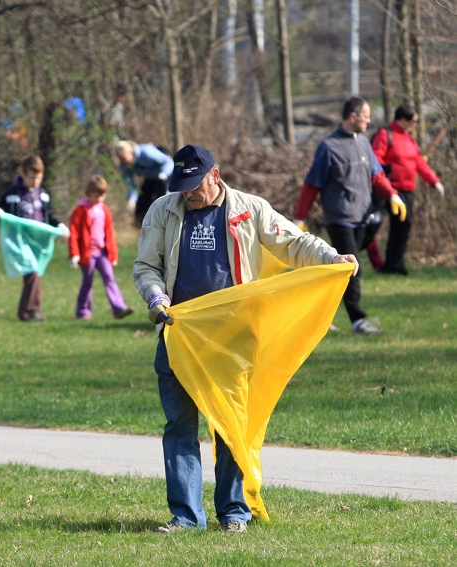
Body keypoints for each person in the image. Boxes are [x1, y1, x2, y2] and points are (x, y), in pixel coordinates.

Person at [134, 144, 358, 534]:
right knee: (179, 427)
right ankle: (186, 517)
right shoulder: (163, 210)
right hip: (178, 335)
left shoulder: (249, 209)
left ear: (215, 176)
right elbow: (146, 266)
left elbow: (293, 242)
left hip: (234, 338)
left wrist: (330, 258)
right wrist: (155, 297)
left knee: (230, 426)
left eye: (195, 184)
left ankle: (234, 512)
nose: (189, 193)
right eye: (182, 185)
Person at [294, 96, 406, 335]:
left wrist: (392, 195)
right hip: (339, 218)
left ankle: (318, 315)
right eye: (366, 116)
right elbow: (311, 185)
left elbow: (377, 176)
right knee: (352, 268)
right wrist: (300, 218)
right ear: (353, 117)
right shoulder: (329, 147)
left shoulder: (364, 142)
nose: (369, 120)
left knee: (337, 272)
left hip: (362, 217)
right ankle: (358, 321)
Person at [0, 155, 69, 322]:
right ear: (23, 174)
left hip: (38, 244)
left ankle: (25, 311)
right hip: (20, 242)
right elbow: (2, 213)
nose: (35, 182)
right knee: (31, 271)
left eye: (39, 178)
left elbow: (50, 215)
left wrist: (60, 225)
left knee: (33, 273)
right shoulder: (12, 194)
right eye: (32, 177)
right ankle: (31, 311)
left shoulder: (44, 194)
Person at [371, 104, 445, 275]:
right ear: (402, 119)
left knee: (404, 226)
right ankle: (393, 264)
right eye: (412, 121)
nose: (414, 125)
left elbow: (419, 163)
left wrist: (434, 181)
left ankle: (395, 262)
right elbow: (375, 160)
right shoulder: (385, 135)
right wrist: (388, 172)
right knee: (400, 223)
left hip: (408, 189)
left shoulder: (409, 139)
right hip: (392, 189)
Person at [68, 175, 134, 320]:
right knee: (88, 281)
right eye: (96, 195)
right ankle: (83, 311)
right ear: (88, 193)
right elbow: (74, 232)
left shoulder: (104, 210)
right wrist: (75, 253)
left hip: (102, 252)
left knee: (110, 278)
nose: (99, 198)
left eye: (102, 195)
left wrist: (113, 255)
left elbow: (109, 234)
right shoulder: (81, 210)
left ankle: (118, 308)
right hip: (87, 254)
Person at [114, 140, 174, 226]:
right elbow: (131, 185)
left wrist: (163, 174)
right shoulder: (125, 166)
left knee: (159, 203)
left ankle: (164, 226)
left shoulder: (146, 152)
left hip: (166, 176)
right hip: (151, 178)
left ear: (130, 152)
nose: (122, 161)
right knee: (141, 206)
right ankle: (142, 229)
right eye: (120, 158)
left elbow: (169, 162)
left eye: (123, 158)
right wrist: (132, 200)